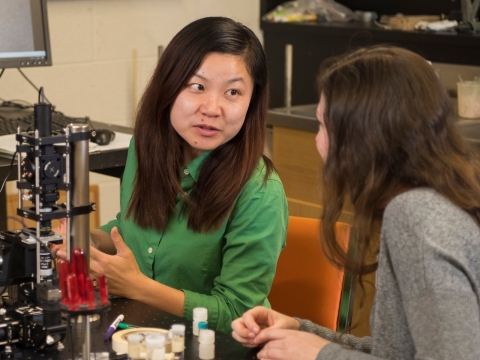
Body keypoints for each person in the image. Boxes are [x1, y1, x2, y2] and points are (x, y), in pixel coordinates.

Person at [231, 45, 480, 359]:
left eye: (322, 126)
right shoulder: (433, 201)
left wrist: (320, 355)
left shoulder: (416, 215)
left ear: (361, 137)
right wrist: (301, 330)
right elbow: (396, 352)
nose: (317, 140)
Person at [53, 17, 288, 334]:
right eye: (197, 86)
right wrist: (84, 239)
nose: (212, 108)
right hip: (135, 333)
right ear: (168, 84)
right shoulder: (143, 150)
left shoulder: (260, 192)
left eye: (233, 92)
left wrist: (137, 287)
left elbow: (237, 312)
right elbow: (131, 229)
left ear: (252, 102)